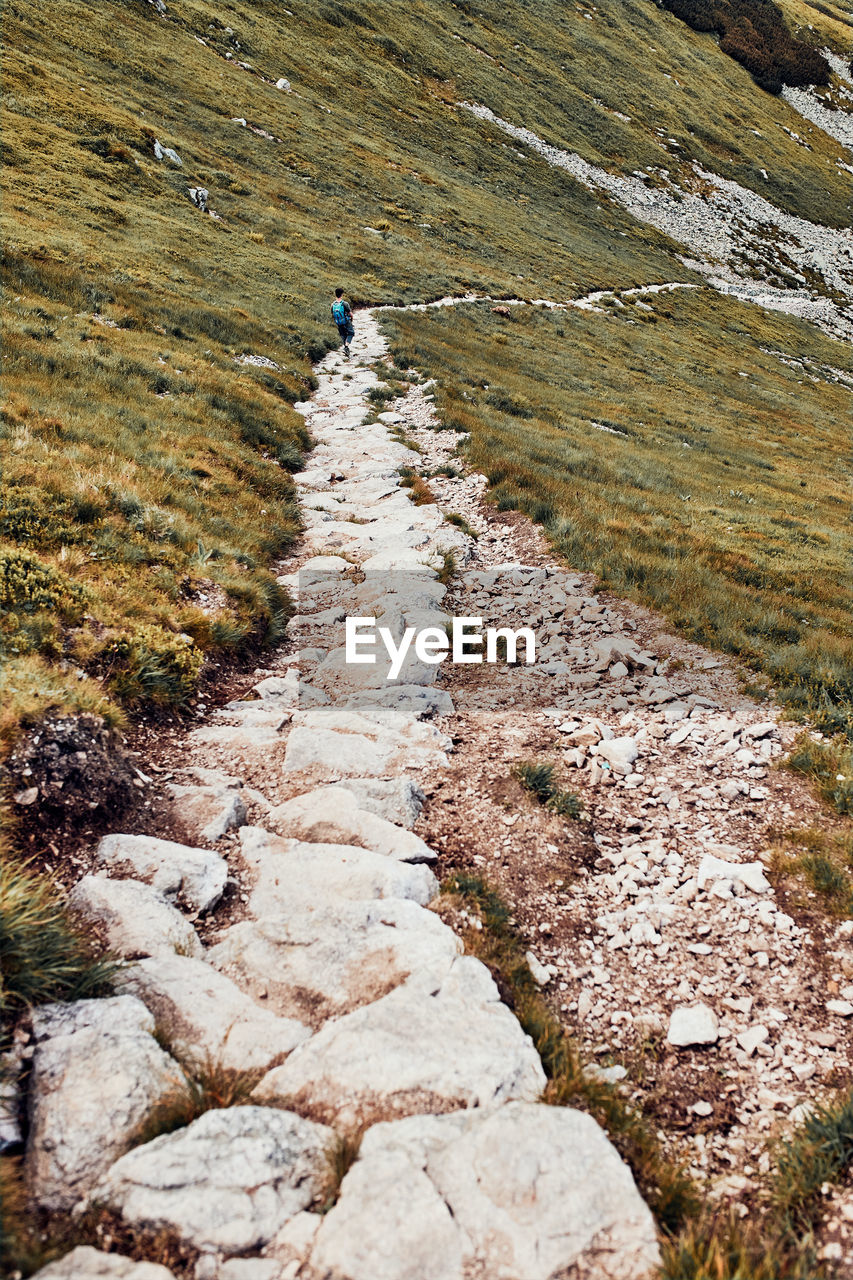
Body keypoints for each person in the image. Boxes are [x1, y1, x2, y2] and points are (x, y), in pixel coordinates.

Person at [331, 287, 355, 358]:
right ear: (342, 294)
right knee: (351, 333)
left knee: (343, 335)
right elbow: (351, 314)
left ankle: (346, 349)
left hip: (338, 322)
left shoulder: (333, 304)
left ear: (335, 294)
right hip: (346, 321)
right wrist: (351, 320)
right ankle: (346, 347)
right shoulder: (345, 303)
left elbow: (332, 314)